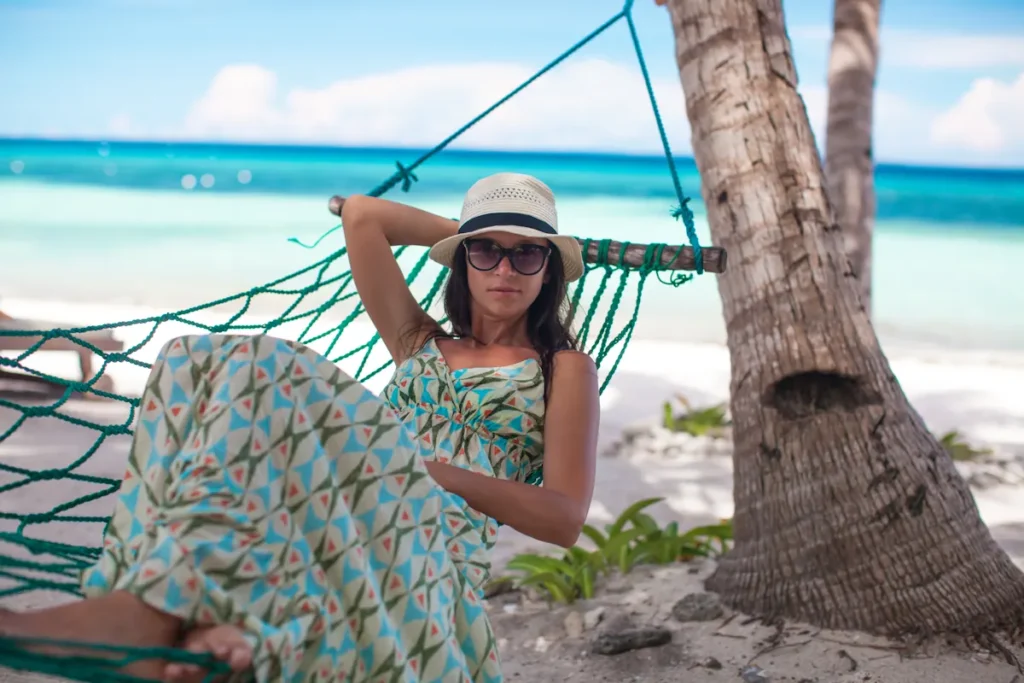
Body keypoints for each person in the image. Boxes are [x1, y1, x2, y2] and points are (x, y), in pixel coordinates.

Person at [0, 172, 600, 682]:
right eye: (486, 252)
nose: (506, 267)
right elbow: (364, 218)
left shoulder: (562, 368)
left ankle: (148, 617)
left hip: (427, 549)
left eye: (527, 254)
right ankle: (192, 610)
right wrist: (474, 235)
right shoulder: (421, 341)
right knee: (194, 356)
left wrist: (421, 468)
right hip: (334, 509)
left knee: (273, 367)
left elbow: (564, 517)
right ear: (461, 261)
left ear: (549, 271)